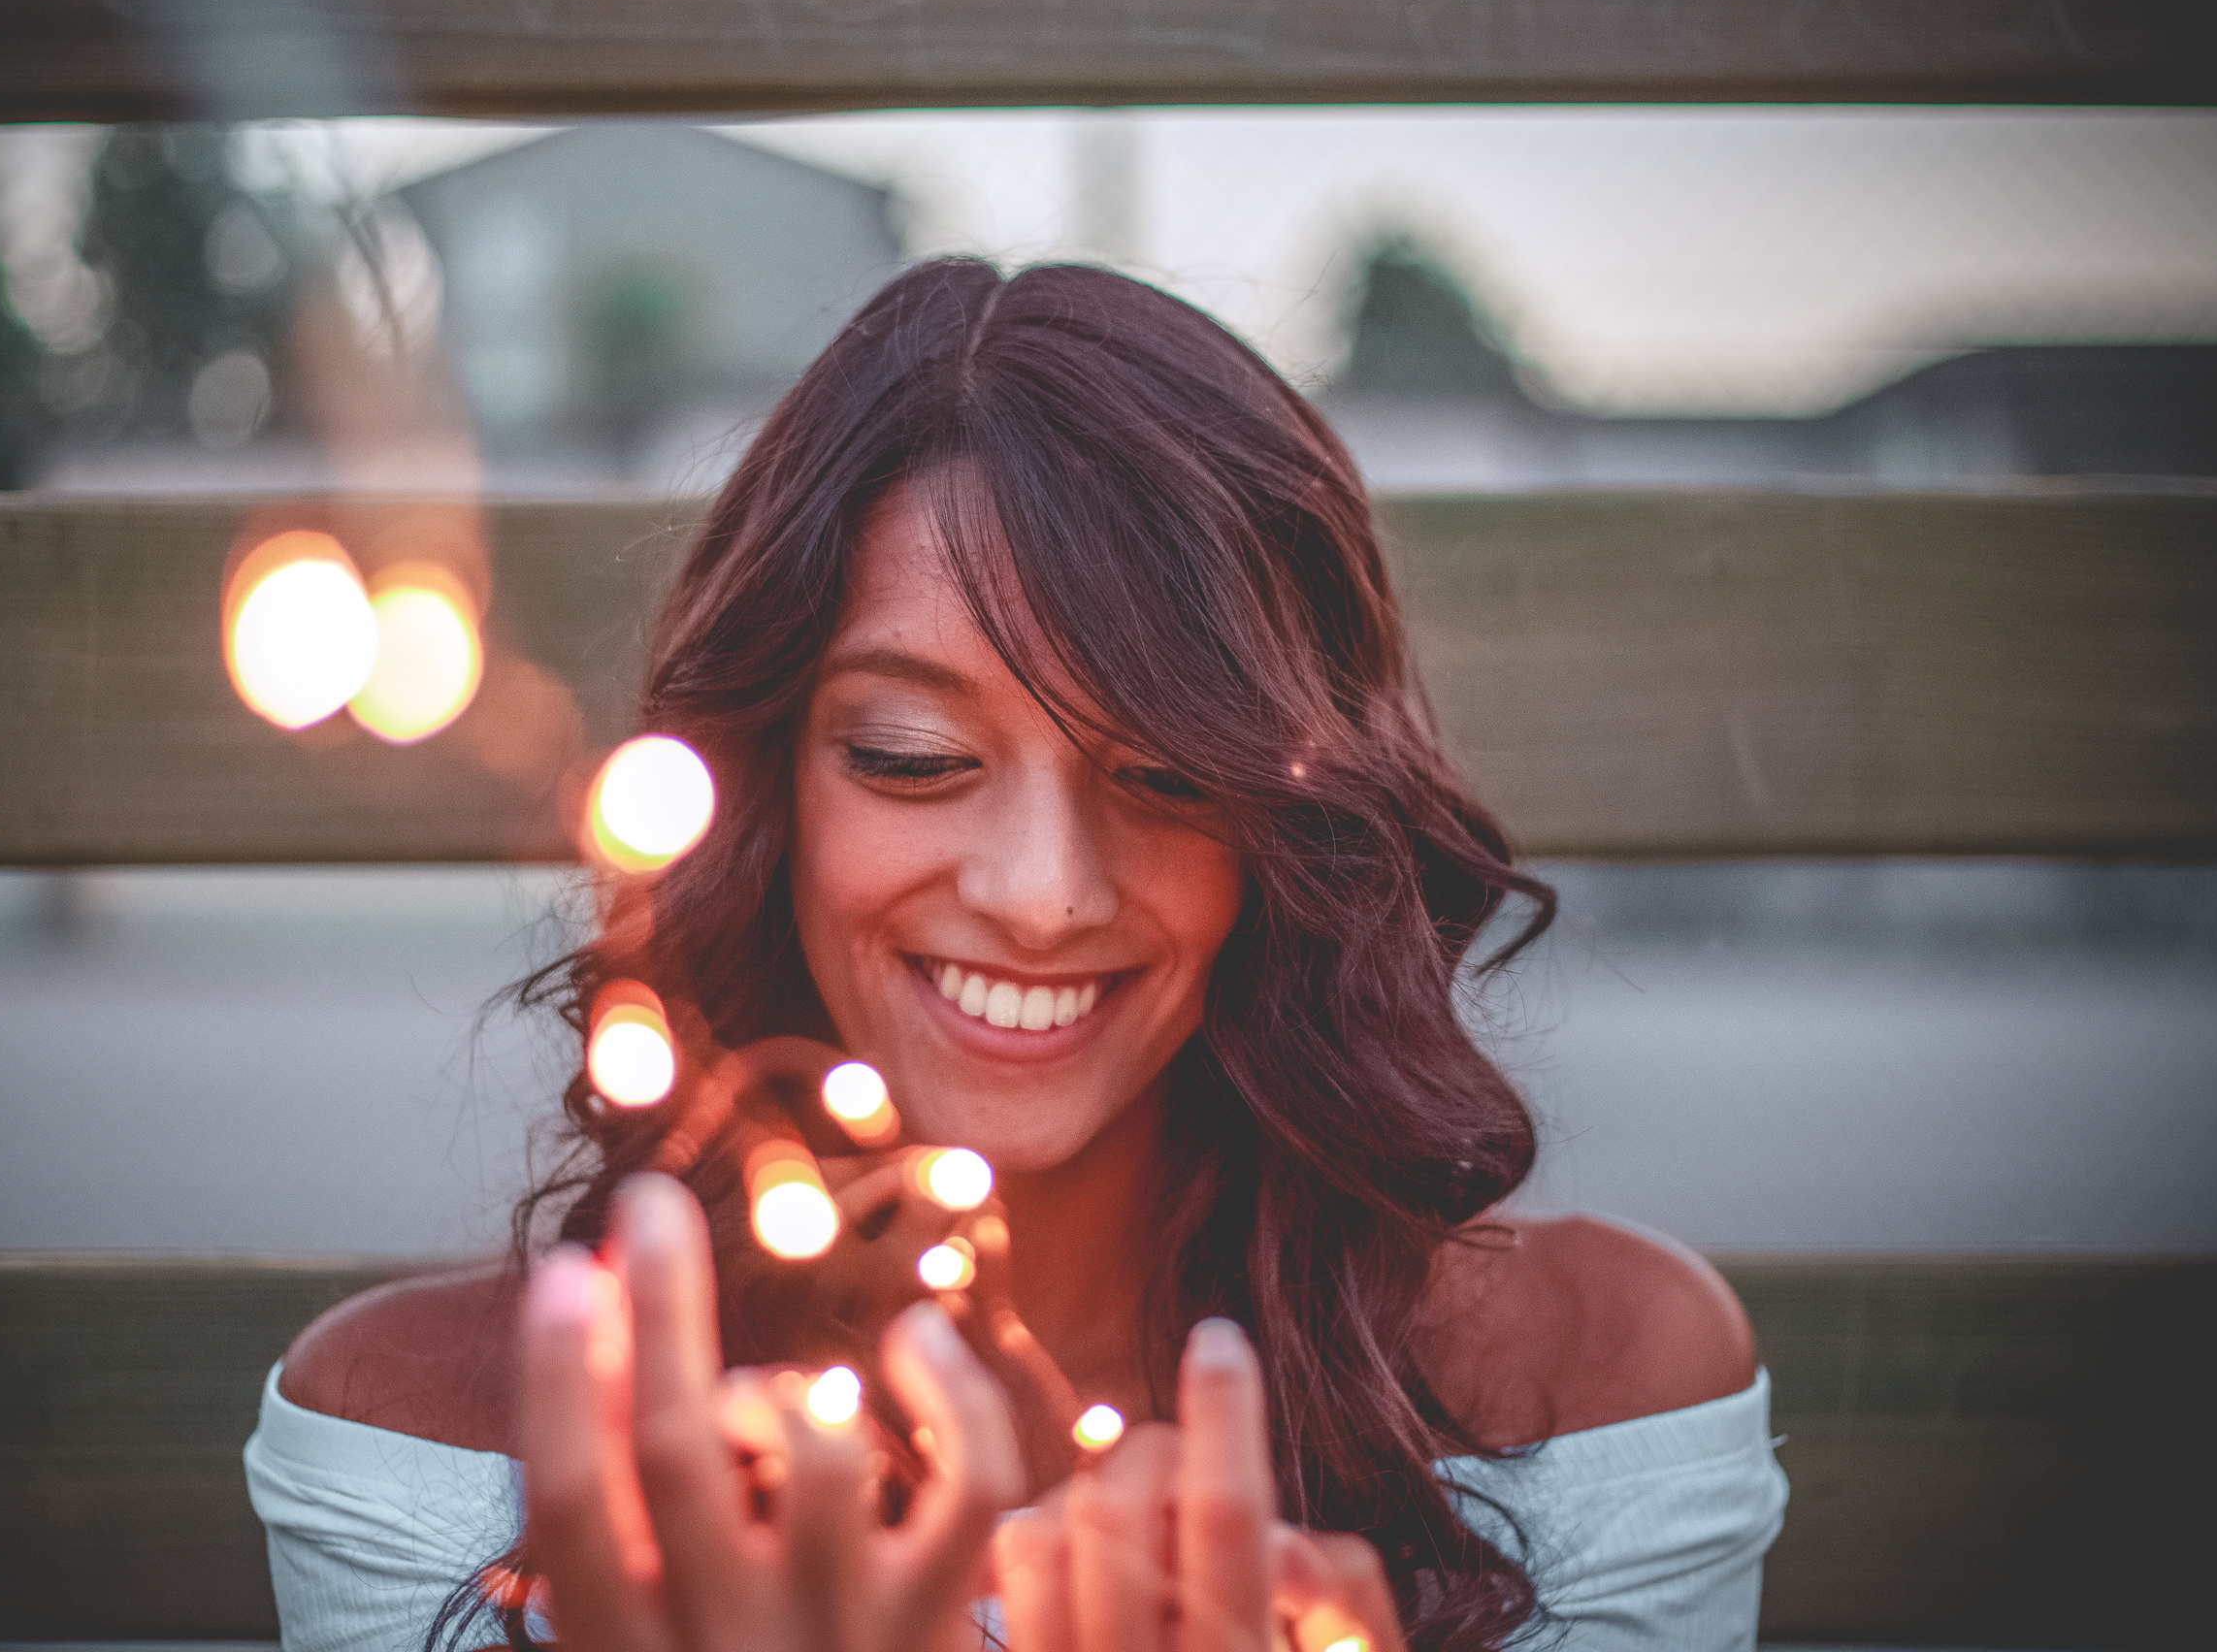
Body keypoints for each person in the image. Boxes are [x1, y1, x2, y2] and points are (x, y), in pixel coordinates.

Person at [245, 259, 1785, 1650]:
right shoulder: (431, 1446)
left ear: (1295, 826)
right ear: (760, 782)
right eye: (913, 756)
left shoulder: (1604, 1384)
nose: (1044, 898)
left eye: (1171, 773)